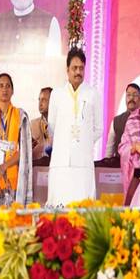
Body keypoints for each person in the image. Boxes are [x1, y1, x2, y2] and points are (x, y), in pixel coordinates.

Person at [47, 48, 102, 206]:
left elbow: (98, 128)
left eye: (81, 68)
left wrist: (83, 142)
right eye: (74, 68)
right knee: (59, 207)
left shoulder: (93, 94)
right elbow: (52, 126)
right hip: (61, 162)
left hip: (83, 163)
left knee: (82, 207)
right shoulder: (57, 94)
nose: (78, 72)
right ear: (67, 70)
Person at [0, 73, 33, 208]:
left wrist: (3, 167)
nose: (4, 89)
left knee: (10, 216)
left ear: (12, 91)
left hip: (10, 176)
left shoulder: (20, 115)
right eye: (1, 86)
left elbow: (24, 151)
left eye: (8, 86)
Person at [105, 83, 140, 159]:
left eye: (135, 95)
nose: (131, 98)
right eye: (128, 95)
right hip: (119, 164)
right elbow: (109, 150)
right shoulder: (116, 121)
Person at [31, 87, 53, 160]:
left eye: (44, 100)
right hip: (37, 165)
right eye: (39, 100)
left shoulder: (61, 125)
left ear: (53, 102)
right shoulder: (32, 125)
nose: (40, 103)